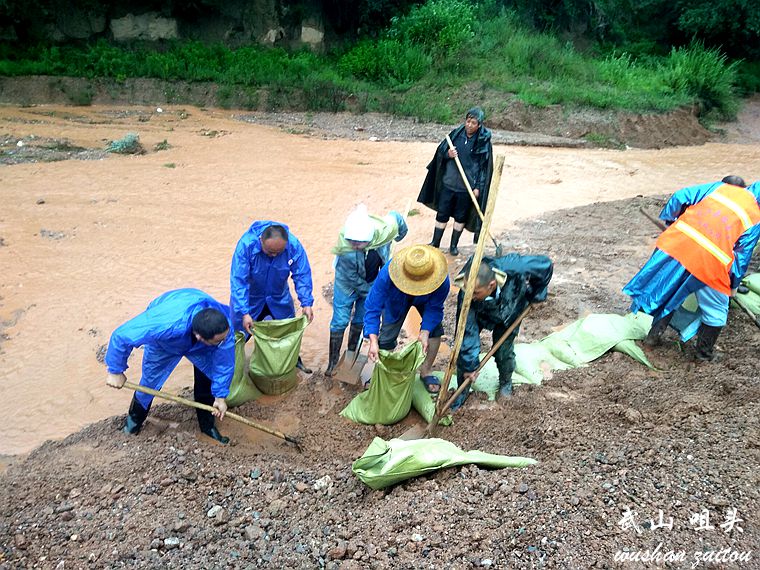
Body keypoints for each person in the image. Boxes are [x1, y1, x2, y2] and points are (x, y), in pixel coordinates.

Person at [624, 177, 760, 361]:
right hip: (709, 262)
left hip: (675, 245)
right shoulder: (755, 216)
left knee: (669, 292)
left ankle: (652, 338)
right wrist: (733, 286)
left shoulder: (721, 188)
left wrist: (671, 222)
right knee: (717, 311)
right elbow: (741, 256)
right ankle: (704, 354)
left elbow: (680, 196)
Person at [105, 288, 234, 444]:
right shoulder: (165, 325)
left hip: (202, 346)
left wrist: (220, 396)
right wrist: (115, 370)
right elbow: (121, 336)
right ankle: (133, 424)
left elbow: (224, 364)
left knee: (208, 377)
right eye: (219, 341)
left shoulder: (223, 328)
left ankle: (207, 426)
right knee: (149, 383)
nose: (224, 341)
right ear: (199, 337)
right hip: (165, 343)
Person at [452, 254, 553, 409]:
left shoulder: (516, 267)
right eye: (469, 291)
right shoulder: (467, 294)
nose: (471, 295)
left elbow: (545, 265)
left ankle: (506, 382)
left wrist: (537, 295)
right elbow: (467, 332)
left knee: (503, 351)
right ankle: (462, 389)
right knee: (463, 352)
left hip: (511, 309)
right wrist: (469, 366)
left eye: (476, 292)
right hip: (480, 312)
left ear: (491, 285)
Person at [326, 204, 408, 376]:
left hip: (371, 280)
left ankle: (351, 353)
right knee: (340, 320)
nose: (354, 245)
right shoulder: (345, 250)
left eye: (359, 243)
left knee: (361, 318)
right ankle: (333, 363)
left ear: (370, 238)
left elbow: (396, 217)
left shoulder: (384, 230)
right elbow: (352, 278)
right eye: (351, 242)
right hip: (346, 284)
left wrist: (401, 234)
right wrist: (373, 294)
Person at [363, 244, 450, 393]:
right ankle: (381, 375)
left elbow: (434, 308)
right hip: (396, 297)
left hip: (426, 298)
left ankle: (426, 370)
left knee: (435, 330)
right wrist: (373, 341)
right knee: (386, 337)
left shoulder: (440, 280)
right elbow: (373, 307)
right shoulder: (387, 274)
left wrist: (425, 331)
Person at [230, 221, 314, 372]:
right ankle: (232, 367)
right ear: (260, 241)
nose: (274, 255)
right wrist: (244, 312)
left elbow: (302, 274)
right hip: (250, 299)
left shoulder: (293, 245)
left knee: (288, 334)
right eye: (269, 252)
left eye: (278, 253)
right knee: (238, 336)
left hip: (278, 297)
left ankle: (294, 361)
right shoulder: (246, 245)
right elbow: (239, 281)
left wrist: (306, 302)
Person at [417, 107, 494, 256]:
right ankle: (435, 243)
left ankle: (453, 246)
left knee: (460, 217)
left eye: (473, 123)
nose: (469, 125)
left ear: (479, 125)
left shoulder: (483, 142)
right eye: (468, 121)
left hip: (466, 188)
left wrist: (478, 187)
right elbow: (440, 153)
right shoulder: (455, 135)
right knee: (442, 213)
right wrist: (448, 154)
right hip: (448, 183)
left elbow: (484, 168)